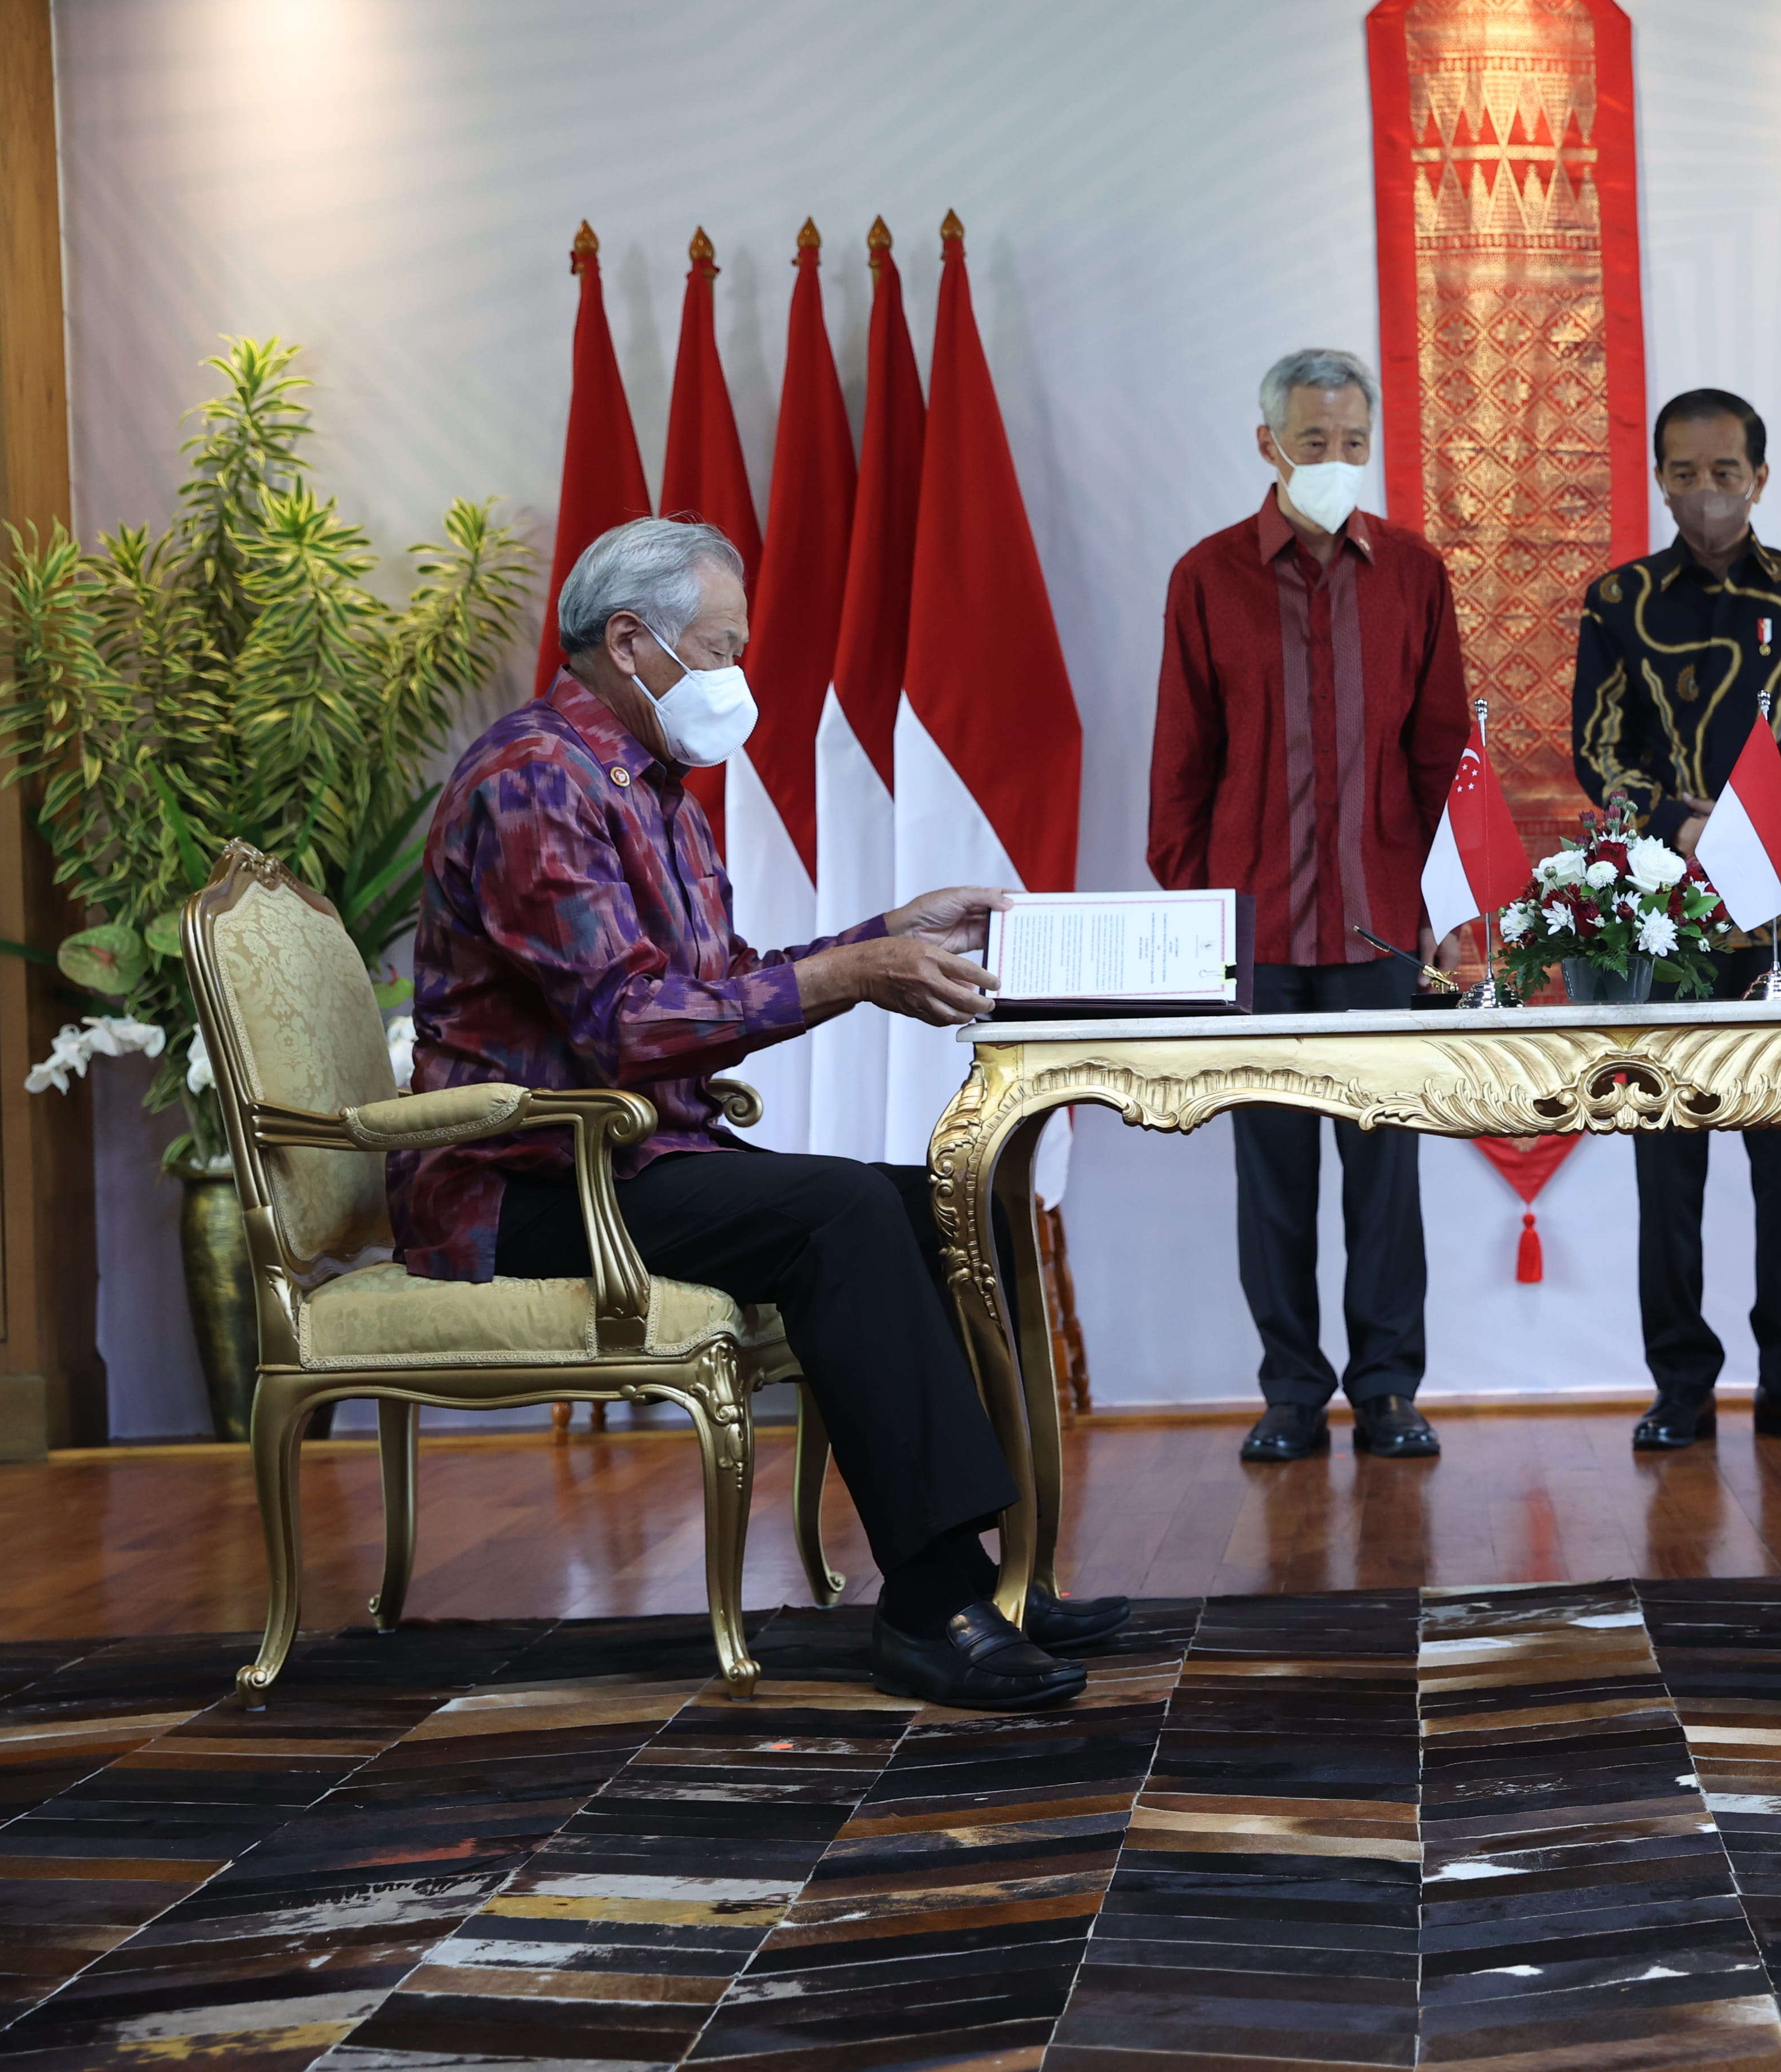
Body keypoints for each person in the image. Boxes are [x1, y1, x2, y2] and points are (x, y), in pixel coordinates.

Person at [394, 517, 1131, 1711]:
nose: (740, 677)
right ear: (627, 642)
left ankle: (992, 1577)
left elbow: (722, 972)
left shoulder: (651, 789)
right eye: (720, 648)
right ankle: (929, 1606)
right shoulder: (535, 779)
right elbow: (628, 1025)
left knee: (951, 1194)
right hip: (528, 1189)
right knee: (839, 1211)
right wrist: (852, 978)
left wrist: (886, 935)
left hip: (636, 1165)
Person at [1149, 348, 1471, 1464]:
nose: (1334, 461)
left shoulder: (1415, 575)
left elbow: (1442, 755)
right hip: (1259, 931)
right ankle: (1292, 1391)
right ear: (1269, 445)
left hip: (1382, 924)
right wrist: (1198, 921)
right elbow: (1181, 767)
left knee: (1388, 1174)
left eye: (1351, 443)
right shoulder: (1206, 578)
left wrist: (1453, 913)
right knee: (1272, 1177)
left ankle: (1388, 1391)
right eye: (1313, 441)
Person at [1571, 388, 1781, 1452]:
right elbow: (1598, 752)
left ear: (1760, 474)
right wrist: (1675, 820)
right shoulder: (1618, 600)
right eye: (1683, 473)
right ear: (1660, 477)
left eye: (1724, 472)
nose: (1704, 492)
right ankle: (1681, 1388)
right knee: (1669, 1164)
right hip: (1659, 914)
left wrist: (1772, 821)